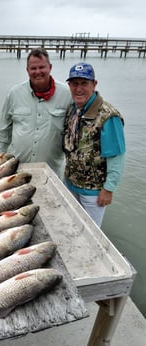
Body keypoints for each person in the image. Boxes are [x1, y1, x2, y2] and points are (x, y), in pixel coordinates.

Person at [62, 62, 126, 227]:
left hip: (94, 192)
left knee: (90, 232)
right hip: (70, 183)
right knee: (69, 224)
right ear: (69, 85)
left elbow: (116, 156)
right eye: (75, 84)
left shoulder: (108, 116)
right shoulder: (73, 109)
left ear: (94, 84)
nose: (79, 89)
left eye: (84, 83)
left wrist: (108, 189)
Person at [0, 47, 72, 177]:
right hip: (17, 168)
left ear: (50, 67)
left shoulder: (67, 94)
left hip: (51, 172)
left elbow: (74, 134)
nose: (38, 72)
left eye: (42, 67)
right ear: (27, 70)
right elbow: (4, 129)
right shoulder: (15, 93)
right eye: (33, 68)